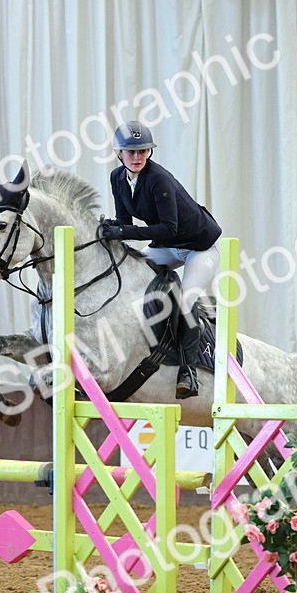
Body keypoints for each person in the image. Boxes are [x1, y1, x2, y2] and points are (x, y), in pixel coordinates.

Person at [98, 121, 221, 399]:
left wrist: (124, 231)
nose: (138, 157)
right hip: (167, 247)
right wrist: (106, 231)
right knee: (129, 271)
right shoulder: (118, 178)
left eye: (143, 151)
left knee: (187, 298)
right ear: (119, 153)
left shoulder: (158, 179)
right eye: (131, 152)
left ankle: (188, 372)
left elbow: (170, 228)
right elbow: (123, 222)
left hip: (199, 248)